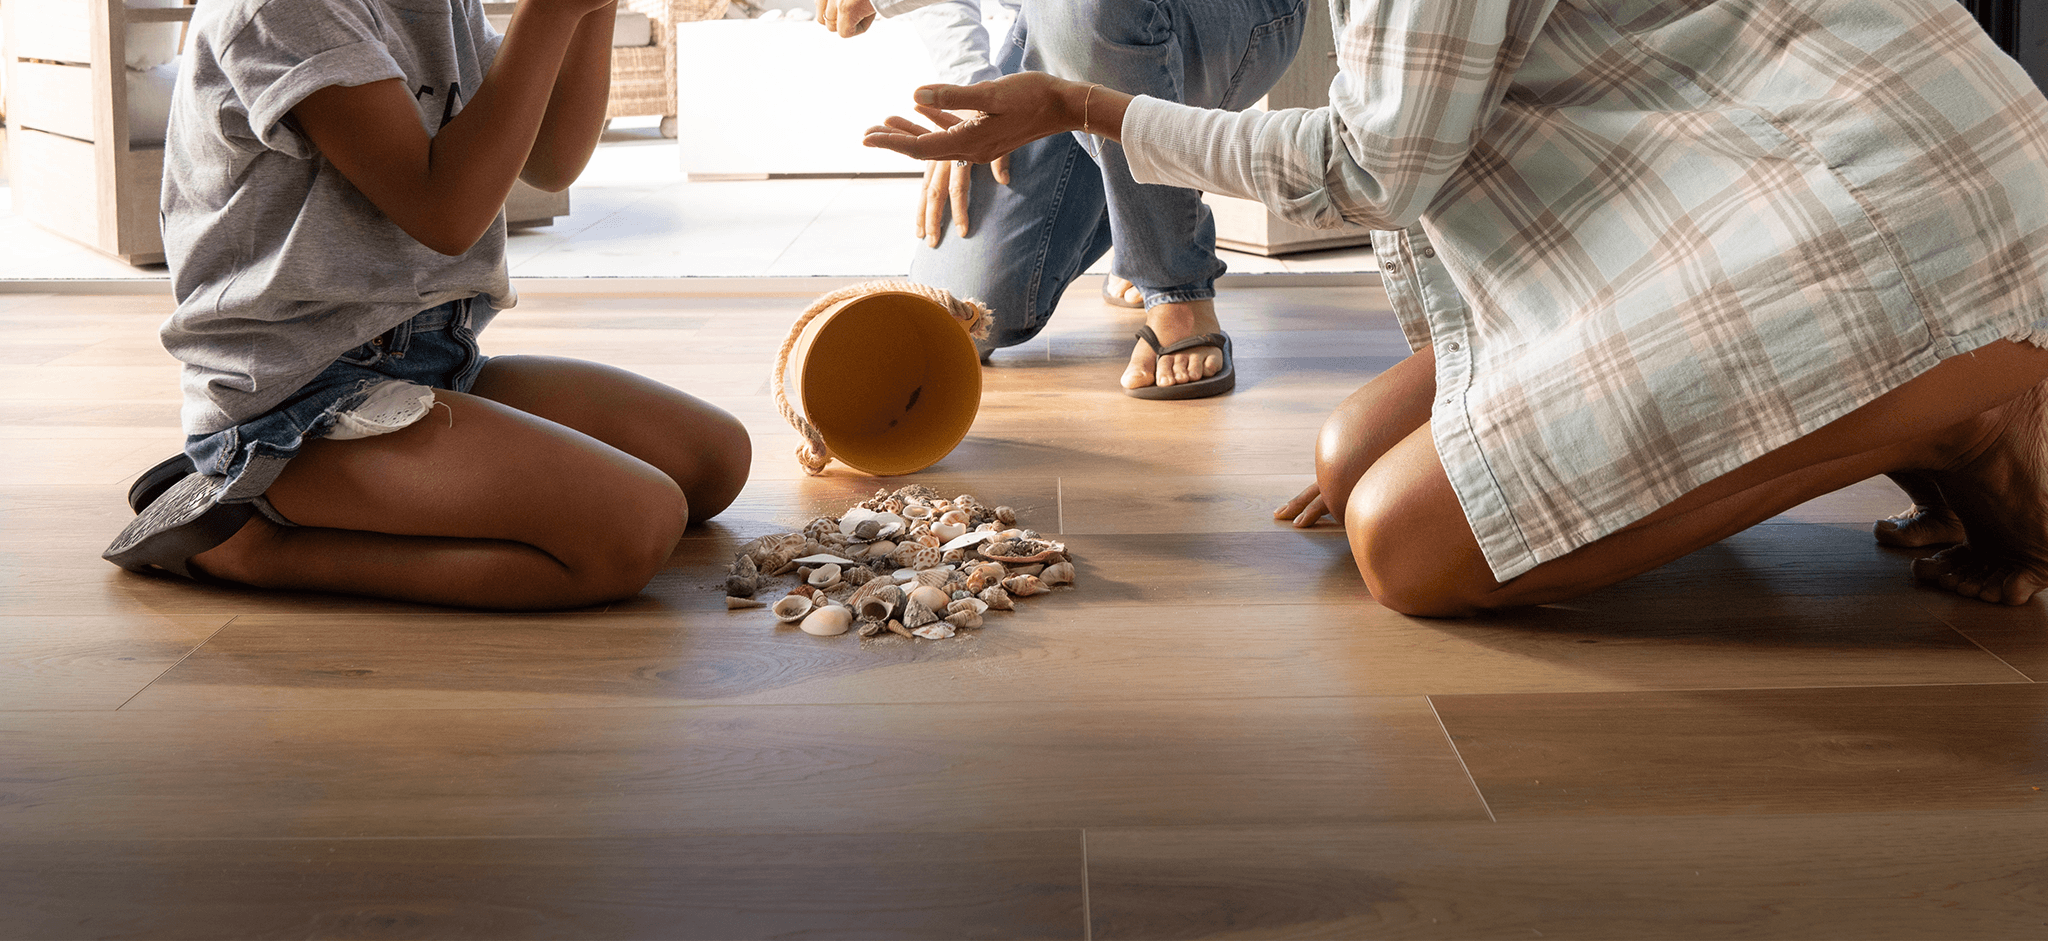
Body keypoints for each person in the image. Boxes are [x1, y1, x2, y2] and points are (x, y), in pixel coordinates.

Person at [864, 0, 2048, 614]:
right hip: (1736, 172)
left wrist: (1086, 106)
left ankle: (1965, 419)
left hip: (1884, 207)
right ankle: (1933, 394)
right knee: (1354, 451)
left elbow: (1374, 169)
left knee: (1406, 545)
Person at [102, 0, 751, 610]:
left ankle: (392, 482)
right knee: (629, 530)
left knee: (713, 460)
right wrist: (550, 11)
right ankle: (252, 544)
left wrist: (591, 10)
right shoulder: (285, 11)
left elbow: (551, 162)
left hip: (435, 355)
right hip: (295, 399)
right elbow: (445, 211)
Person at [820, 0, 1306, 399]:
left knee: (1082, 12)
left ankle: (1176, 284)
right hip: (1050, 31)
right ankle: (1140, 205)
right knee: (972, 307)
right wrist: (973, 88)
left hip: (1222, 16)